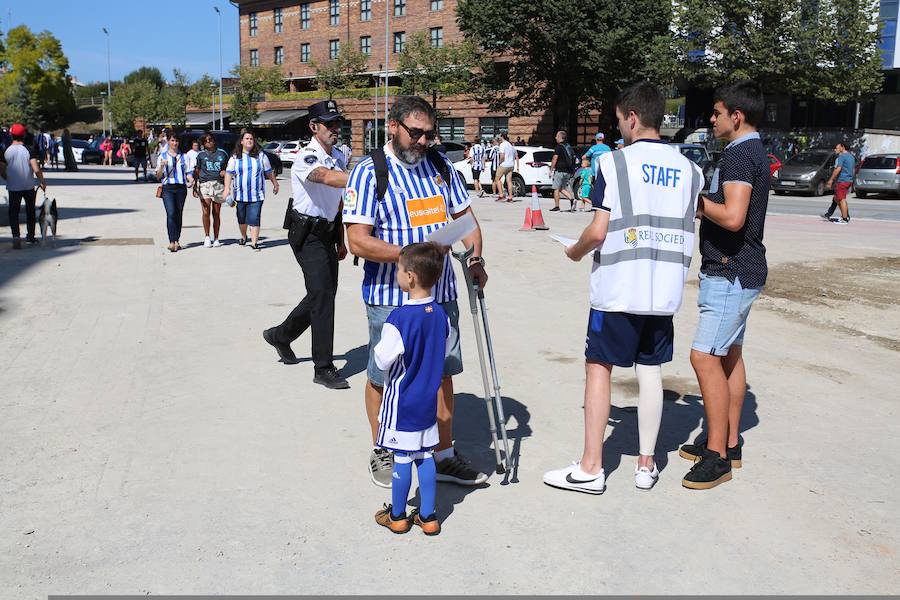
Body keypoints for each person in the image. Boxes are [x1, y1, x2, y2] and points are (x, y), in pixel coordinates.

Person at [543, 82, 702, 494]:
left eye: (618, 120)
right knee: (651, 369)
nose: (618, 128)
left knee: (599, 366)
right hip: (663, 289)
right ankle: (646, 466)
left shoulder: (613, 164)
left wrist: (573, 252)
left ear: (632, 117)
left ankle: (591, 467)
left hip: (619, 286)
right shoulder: (690, 169)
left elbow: (598, 231)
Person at [344, 95, 490, 489]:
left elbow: (467, 222)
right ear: (393, 126)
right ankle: (384, 449)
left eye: (430, 134)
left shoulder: (441, 166)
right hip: (391, 300)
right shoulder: (370, 171)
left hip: (440, 296)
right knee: (385, 376)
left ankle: (443, 454)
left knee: (442, 372)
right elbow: (357, 240)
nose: (423, 141)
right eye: (416, 133)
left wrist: (475, 258)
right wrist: (411, 256)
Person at [679, 80, 770, 490]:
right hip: (741, 268)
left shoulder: (739, 156)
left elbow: (733, 217)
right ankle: (729, 442)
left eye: (716, 113)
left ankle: (716, 455)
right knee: (729, 355)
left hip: (730, 270)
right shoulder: (751, 152)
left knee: (704, 358)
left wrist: (694, 200)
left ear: (737, 115)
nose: (710, 119)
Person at [263, 100, 350, 389]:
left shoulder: (338, 155)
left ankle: (281, 335)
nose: (335, 128)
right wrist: (362, 178)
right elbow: (325, 179)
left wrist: (341, 238)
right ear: (314, 127)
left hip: (328, 231)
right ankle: (323, 367)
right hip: (306, 233)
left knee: (322, 294)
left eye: (337, 122)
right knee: (323, 294)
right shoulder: (306, 157)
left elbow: (335, 204)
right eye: (330, 123)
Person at [373, 242, 449, 536]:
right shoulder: (440, 314)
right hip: (428, 401)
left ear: (411, 277)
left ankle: (397, 515)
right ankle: (428, 516)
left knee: (402, 457)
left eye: (399, 269)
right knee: (426, 455)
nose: (397, 273)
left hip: (403, 402)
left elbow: (382, 359)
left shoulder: (399, 319)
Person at [224, 129, 279, 251]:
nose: (249, 141)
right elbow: (229, 173)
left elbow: (268, 172)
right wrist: (226, 189)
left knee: (254, 217)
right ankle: (244, 236)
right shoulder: (235, 157)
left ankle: (254, 242)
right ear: (242, 141)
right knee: (242, 218)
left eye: (251, 139)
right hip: (239, 195)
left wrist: (275, 184)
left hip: (257, 195)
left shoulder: (261, 156)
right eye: (247, 139)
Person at [1, 124, 48, 249]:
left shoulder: (6, 150)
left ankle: (16, 236)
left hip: (13, 187)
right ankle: (30, 238)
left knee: (13, 212)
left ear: (11, 135)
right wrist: (42, 182)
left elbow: (1, 168)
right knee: (30, 212)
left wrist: (7, 178)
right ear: (24, 135)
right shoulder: (29, 150)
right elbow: (36, 169)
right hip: (28, 186)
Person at [155, 133, 194, 253]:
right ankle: (172, 241)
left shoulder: (184, 156)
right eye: (172, 141)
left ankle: (177, 239)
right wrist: (161, 167)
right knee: (171, 213)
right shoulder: (162, 156)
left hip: (181, 188)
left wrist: (191, 179)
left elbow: (188, 172)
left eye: (176, 141)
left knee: (178, 213)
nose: (174, 143)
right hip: (168, 188)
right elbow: (158, 176)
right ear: (168, 142)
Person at [193, 133, 229, 248]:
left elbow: (228, 169)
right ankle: (207, 236)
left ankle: (216, 238)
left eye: (210, 139)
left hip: (218, 184)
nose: (208, 142)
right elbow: (197, 171)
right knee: (205, 211)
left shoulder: (222, 154)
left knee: (216, 213)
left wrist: (225, 174)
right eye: (206, 141)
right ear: (203, 143)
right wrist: (195, 186)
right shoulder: (201, 155)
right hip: (205, 184)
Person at [821, 141, 854, 224]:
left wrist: (831, 180)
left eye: (837, 147)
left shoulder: (842, 156)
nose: (835, 149)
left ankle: (845, 219)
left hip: (843, 180)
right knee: (836, 198)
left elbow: (838, 169)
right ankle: (845, 215)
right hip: (848, 180)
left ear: (842, 147)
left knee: (841, 199)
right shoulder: (851, 157)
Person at [549, 130, 576, 211]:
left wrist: (551, 169)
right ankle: (572, 199)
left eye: (557, 136)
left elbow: (555, 158)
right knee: (562, 188)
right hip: (567, 171)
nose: (555, 137)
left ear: (560, 137)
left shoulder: (559, 147)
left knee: (556, 189)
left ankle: (557, 206)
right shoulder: (568, 146)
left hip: (560, 171)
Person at [495, 132, 517, 202]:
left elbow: (502, 156)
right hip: (511, 164)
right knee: (509, 180)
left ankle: (501, 195)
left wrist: (499, 163)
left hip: (504, 164)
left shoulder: (502, 145)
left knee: (497, 179)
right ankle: (510, 197)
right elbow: (515, 155)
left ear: (502, 137)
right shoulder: (510, 145)